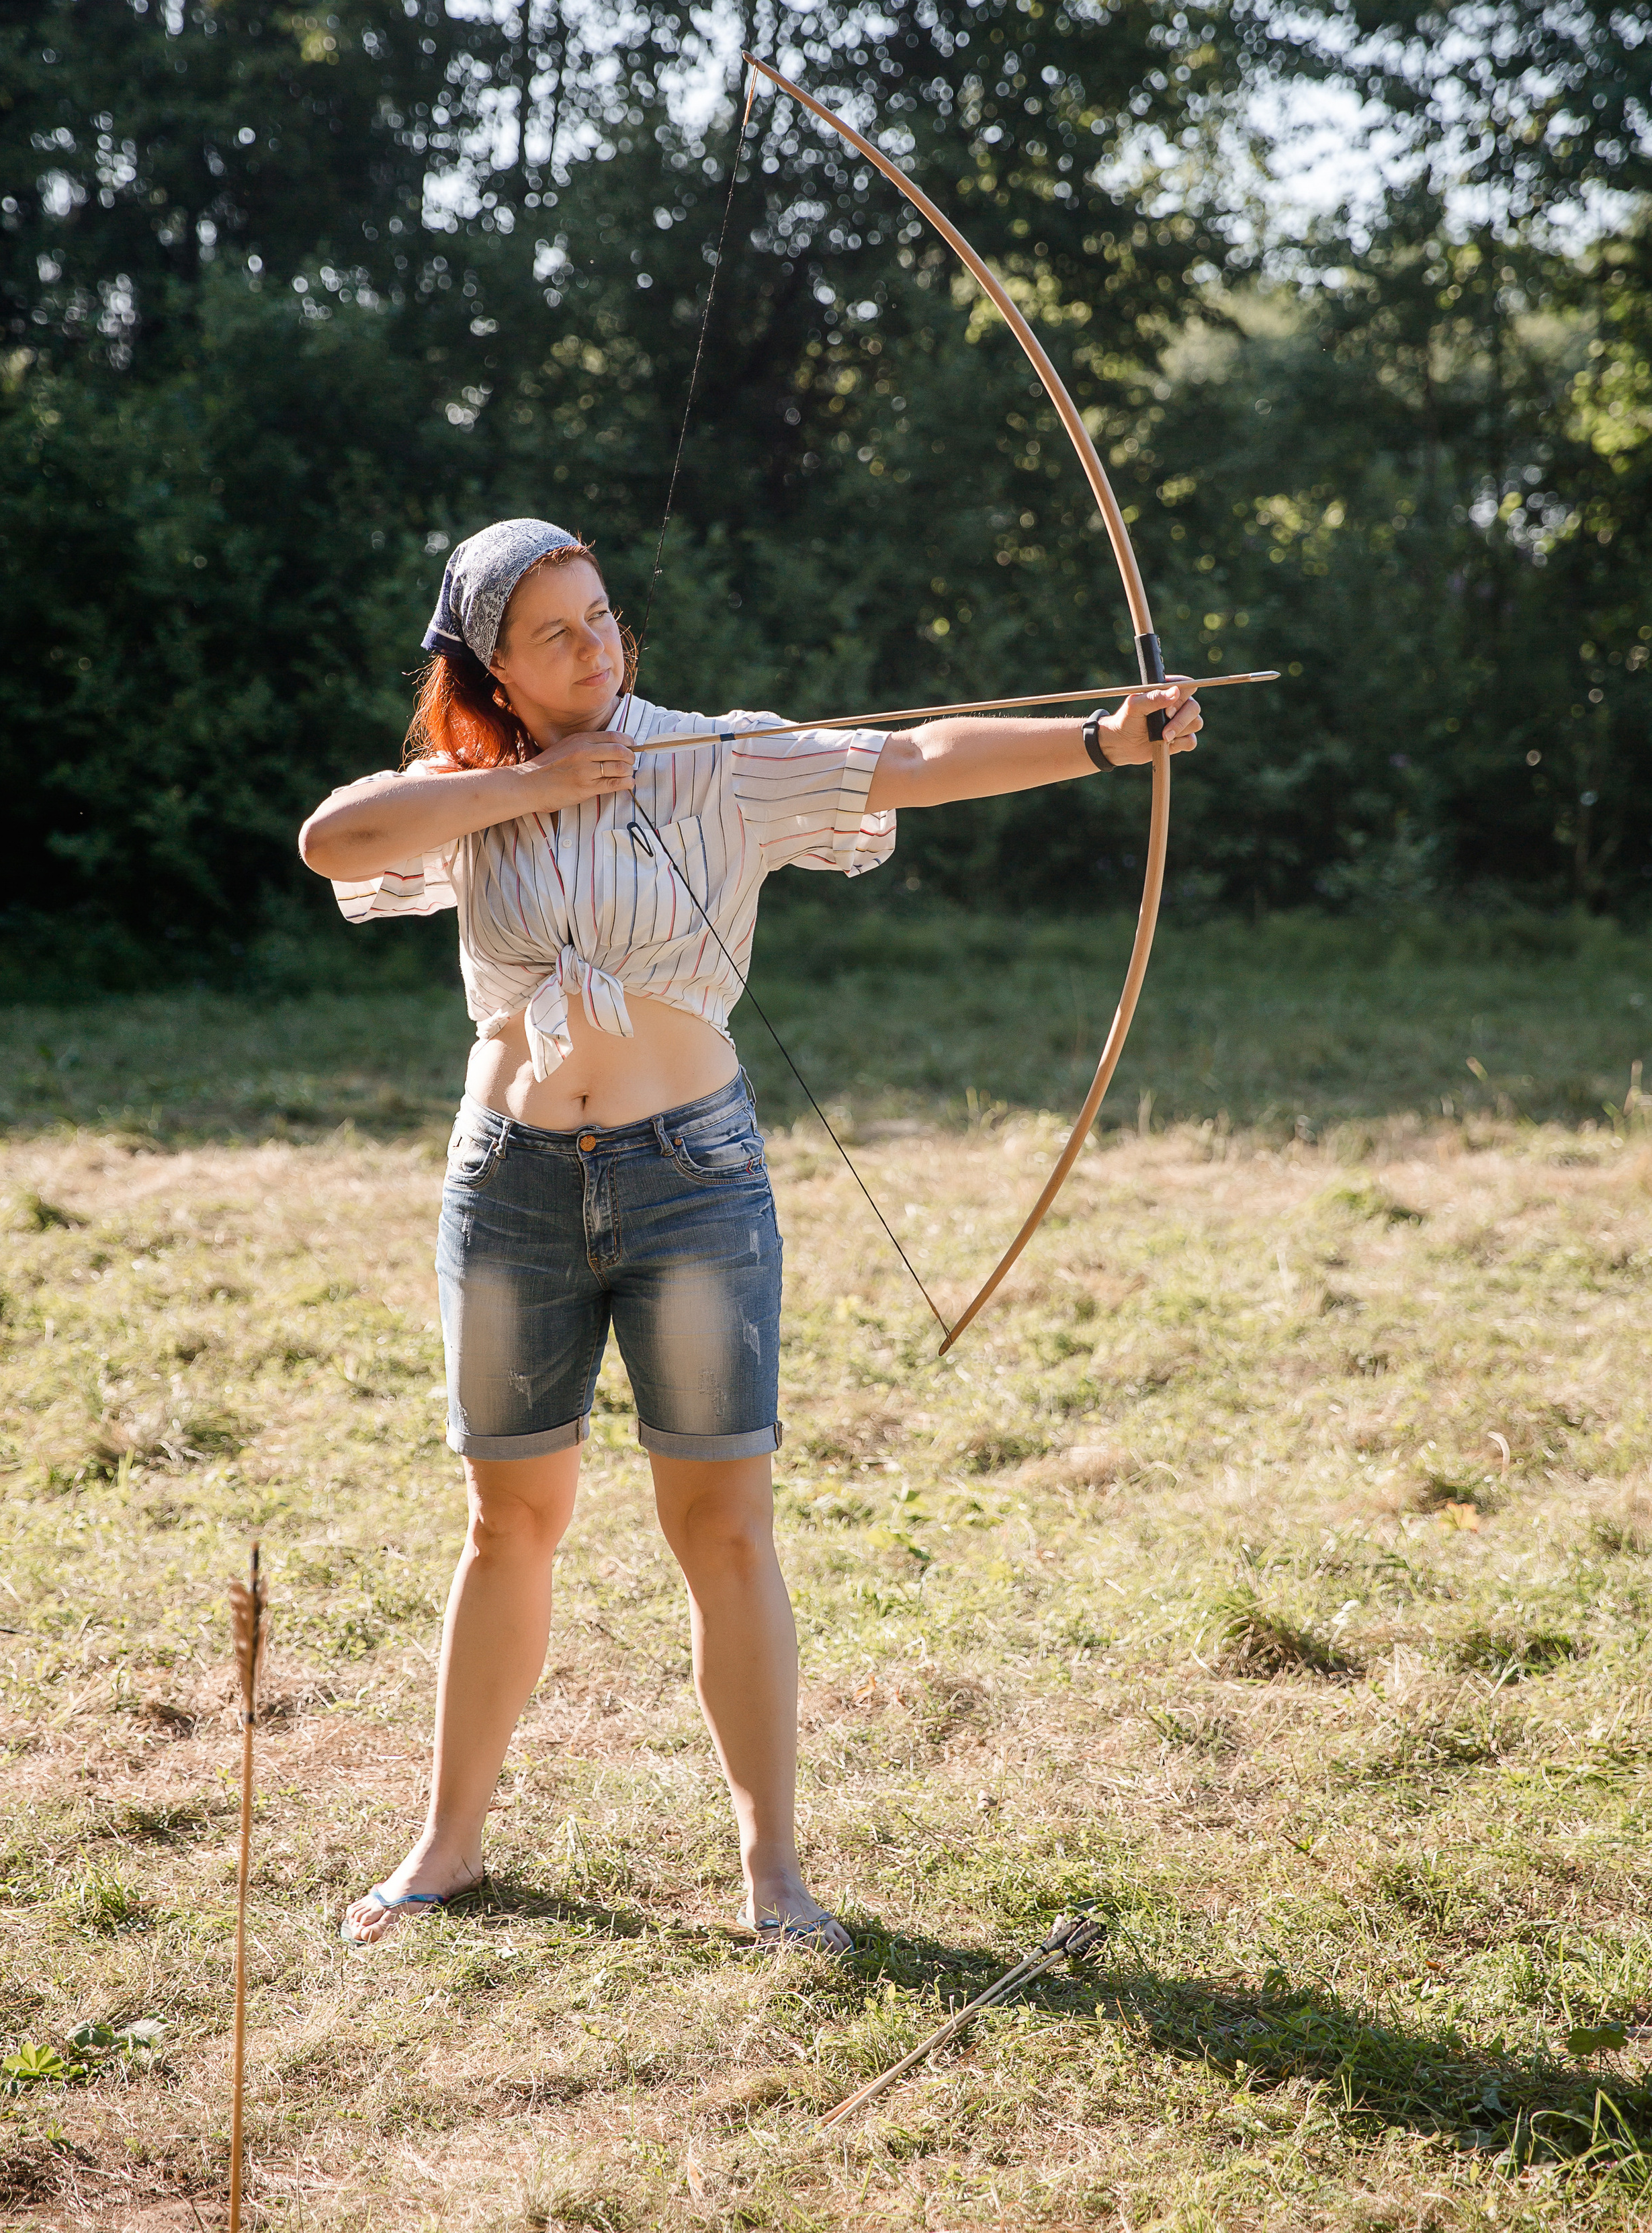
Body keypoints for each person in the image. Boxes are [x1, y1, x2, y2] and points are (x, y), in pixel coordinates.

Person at [298, 517, 1202, 1951]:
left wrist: (1100, 740)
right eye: (555, 635)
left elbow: (905, 760)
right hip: (509, 1186)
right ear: (491, 666)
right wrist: (525, 784)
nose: (595, 648)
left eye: (602, 618)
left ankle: (772, 1872)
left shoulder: (712, 755)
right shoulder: (464, 788)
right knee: (504, 1520)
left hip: (689, 1179)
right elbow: (332, 840)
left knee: (721, 1525)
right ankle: (446, 1847)